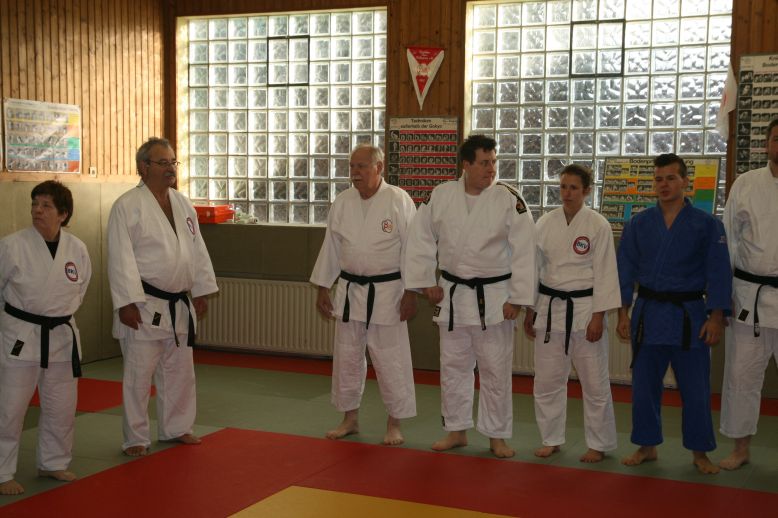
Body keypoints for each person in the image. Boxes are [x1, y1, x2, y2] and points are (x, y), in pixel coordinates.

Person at [404, 134, 536, 458]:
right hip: (453, 296)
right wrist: (425, 282)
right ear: (466, 165)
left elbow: (525, 251)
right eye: (484, 163)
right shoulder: (441, 195)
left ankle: (496, 436)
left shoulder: (509, 198)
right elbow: (420, 238)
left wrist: (518, 298)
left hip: (495, 297)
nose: (491, 169)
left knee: (495, 370)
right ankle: (456, 430)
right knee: (453, 367)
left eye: (494, 162)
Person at [616, 153, 731, 475]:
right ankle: (646, 445)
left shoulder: (707, 225)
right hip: (648, 314)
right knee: (644, 387)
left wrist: (716, 317)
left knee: (695, 390)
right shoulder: (639, 223)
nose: (664, 184)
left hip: (689, 317)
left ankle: (700, 452)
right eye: (658, 179)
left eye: (670, 178)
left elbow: (719, 272)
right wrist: (623, 313)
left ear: (685, 182)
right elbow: (624, 270)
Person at [107, 137, 218, 457]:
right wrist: (126, 302)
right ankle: (135, 438)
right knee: (139, 376)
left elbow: (197, 250)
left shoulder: (182, 204)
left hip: (179, 303)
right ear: (144, 167)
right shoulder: (127, 206)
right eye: (163, 163)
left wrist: (199, 289)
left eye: (173, 162)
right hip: (144, 303)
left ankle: (177, 427)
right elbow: (120, 257)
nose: (171, 168)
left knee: (180, 372)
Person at [310, 144, 417, 446]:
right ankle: (350, 418)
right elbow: (331, 247)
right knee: (347, 357)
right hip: (349, 290)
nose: (355, 173)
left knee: (391, 358)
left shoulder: (398, 200)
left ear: (378, 168)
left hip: (388, 291)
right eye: (352, 167)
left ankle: (394, 422)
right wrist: (323, 287)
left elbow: (413, 249)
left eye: (361, 166)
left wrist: (411, 292)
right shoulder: (343, 202)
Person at [523, 164, 619, 463]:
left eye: (574, 188)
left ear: (587, 190)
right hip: (549, 309)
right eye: (563, 187)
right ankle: (551, 439)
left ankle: (599, 443)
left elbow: (606, 273)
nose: (567, 193)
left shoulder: (598, 225)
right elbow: (534, 269)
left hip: (585, 310)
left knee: (595, 383)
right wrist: (530, 309)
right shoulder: (545, 223)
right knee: (547, 381)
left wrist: (599, 316)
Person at [0, 181, 91, 495]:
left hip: (61, 337)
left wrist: (55, 313)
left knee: (61, 406)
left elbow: (79, 290)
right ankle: (2, 471)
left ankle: (53, 462)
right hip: (21, 335)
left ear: (63, 214)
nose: (37, 210)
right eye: (34, 204)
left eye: (46, 206)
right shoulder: (11, 246)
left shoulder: (77, 249)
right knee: (10, 408)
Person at [719, 118, 778, 470]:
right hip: (748, 296)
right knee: (742, 376)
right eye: (776, 138)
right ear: (767, 144)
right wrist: (723, 292)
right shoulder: (746, 183)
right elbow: (728, 238)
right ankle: (740, 448)